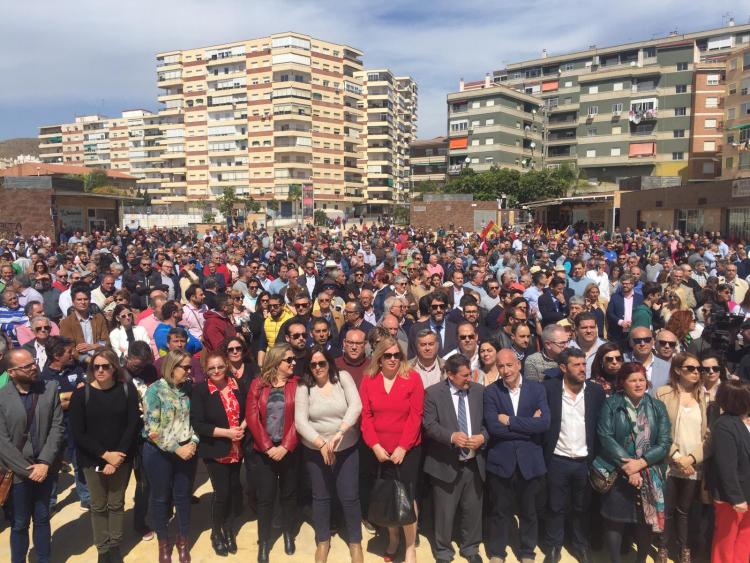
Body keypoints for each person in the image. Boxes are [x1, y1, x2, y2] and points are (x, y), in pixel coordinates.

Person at [68, 349, 140, 563]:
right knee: (98, 506)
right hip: (93, 458)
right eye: (96, 366)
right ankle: (103, 548)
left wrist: (118, 456)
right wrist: (105, 455)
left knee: (116, 504)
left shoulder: (127, 390)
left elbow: (132, 424)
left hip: (120, 456)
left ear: (114, 368)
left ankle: (115, 545)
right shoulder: (82, 394)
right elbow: (78, 432)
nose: (100, 370)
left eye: (105, 366)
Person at [596, 362, 671, 563]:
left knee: (644, 522)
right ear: (623, 383)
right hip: (619, 470)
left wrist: (640, 464)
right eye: (632, 380)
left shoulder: (657, 406)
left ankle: (641, 560)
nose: (638, 384)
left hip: (648, 472)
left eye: (641, 379)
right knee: (615, 521)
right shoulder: (612, 404)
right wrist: (629, 467)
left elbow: (664, 442)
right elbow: (605, 437)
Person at [294, 345, 363, 563]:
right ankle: (322, 540)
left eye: (321, 363)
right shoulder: (304, 386)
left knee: (349, 496)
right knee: (321, 497)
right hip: (316, 451)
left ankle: (355, 542)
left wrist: (340, 431)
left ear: (329, 363)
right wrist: (320, 443)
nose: (317, 368)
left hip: (346, 447)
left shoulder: (342, 378)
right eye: (313, 364)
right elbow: (300, 421)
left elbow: (356, 406)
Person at [359, 337, 424, 563]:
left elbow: (416, 417)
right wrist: (375, 445)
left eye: (397, 355)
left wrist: (403, 447)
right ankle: (393, 537)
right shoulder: (369, 379)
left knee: (407, 497)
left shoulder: (412, 378)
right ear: (379, 357)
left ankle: (409, 547)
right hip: (380, 450)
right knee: (388, 496)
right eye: (388, 355)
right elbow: (365, 416)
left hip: (407, 450)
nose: (393, 359)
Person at [483, 349, 550, 563]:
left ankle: (527, 552)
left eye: (509, 365)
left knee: (529, 512)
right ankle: (497, 552)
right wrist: (529, 423)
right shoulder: (492, 392)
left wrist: (510, 421)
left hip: (530, 461)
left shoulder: (537, 389)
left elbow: (544, 424)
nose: (505, 370)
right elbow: (494, 427)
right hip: (502, 461)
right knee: (500, 511)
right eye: (500, 366)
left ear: (518, 365)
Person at [0, 348, 65, 563]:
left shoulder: (50, 388)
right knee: (19, 523)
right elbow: (2, 442)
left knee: (42, 518)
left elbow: (57, 427)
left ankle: (43, 558)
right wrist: (27, 470)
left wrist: (45, 463)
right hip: (17, 472)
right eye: (26, 366)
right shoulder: (2, 398)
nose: (33, 367)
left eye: (33, 362)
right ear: (11, 372)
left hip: (44, 467)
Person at [542, 347, 606, 563]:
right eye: (576, 365)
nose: (582, 369)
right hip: (557, 459)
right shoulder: (549, 389)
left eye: (584, 364)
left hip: (584, 461)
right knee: (555, 506)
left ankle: (580, 546)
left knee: (582, 507)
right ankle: (553, 547)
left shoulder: (595, 392)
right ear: (563, 368)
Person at [422, 354, 487, 563]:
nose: (469, 379)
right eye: (464, 376)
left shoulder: (479, 392)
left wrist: (483, 437)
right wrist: (451, 436)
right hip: (445, 463)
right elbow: (429, 425)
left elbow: (489, 422)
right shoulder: (433, 393)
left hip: (474, 463)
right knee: (444, 512)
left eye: (470, 374)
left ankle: (470, 548)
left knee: (473, 509)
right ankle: (443, 551)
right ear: (450, 375)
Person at [142, 349, 199, 563]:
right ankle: (163, 545)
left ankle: (183, 541)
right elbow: (152, 429)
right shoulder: (154, 391)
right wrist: (178, 448)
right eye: (185, 367)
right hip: (159, 453)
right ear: (171, 367)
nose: (189, 371)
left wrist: (193, 442)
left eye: (189, 367)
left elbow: (194, 420)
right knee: (160, 499)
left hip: (187, 450)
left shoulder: (189, 389)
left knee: (183, 497)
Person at [245, 344, 300, 563]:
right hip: (264, 451)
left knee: (288, 495)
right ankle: (264, 541)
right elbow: (252, 417)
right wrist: (268, 447)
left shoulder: (298, 384)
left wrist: (285, 446)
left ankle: (288, 533)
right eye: (289, 360)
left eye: (293, 359)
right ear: (277, 362)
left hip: (289, 450)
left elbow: (301, 417)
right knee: (266, 498)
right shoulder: (258, 384)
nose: (293, 363)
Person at [654, 352, 710, 563]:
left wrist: (692, 459)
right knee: (666, 510)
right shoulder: (662, 393)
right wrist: (677, 456)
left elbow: (709, 434)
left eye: (699, 369)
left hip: (693, 466)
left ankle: (684, 549)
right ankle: (663, 547)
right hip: (670, 463)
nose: (696, 372)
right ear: (677, 370)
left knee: (685, 511)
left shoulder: (704, 397)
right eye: (690, 368)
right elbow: (660, 429)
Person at [190, 351, 247, 557]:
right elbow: (198, 424)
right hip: (216, 449)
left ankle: (229, 529)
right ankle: (216, 533)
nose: (216, 371)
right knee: (221, 493)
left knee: (233, 490)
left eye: (220, 367)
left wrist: (242, 427)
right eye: (211, 368)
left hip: (237, 448)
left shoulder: (235, 385)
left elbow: (249, 408)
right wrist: (228, 433)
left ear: (226, 367)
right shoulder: (201, 391)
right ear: (206, 369)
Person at [706, 380, 750, 563]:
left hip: (747, 490)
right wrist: (736, 498)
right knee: (726, 538)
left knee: (745, 537)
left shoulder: (742, 421)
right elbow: (726, 466)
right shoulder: (724, 425)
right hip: (731, 496)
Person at [59, 287, 109, 362]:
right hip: (78, 363)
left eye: (86, 299)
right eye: (79, 299)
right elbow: (69, 348)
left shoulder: (99, 318)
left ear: (89, 301)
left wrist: (93, 346)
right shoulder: (66, 323)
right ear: (73, 302)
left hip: (100, 359)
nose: (83, 302)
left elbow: (105, 341)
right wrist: (87, 359)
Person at [408, 291, 458, 359]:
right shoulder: (416, 329)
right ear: (429, 308)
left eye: (442, 306)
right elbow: (412, 356)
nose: (438, 310)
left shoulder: (455, 329)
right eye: (434, 307)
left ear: (446, 308)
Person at [625, 327, 671, 393]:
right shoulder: (622, 362)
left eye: (647, 340)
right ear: (630, 342)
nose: (642, 344)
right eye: (637, 340)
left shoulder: (667, 367)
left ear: (653, 341)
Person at [606, 274, 643, 342]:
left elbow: (641, 314)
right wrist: (621, 322)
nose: (625, 285)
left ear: (632, 284)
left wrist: (635, 323)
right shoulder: (615, 297)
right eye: (623, 283)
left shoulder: (640, 298)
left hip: (634, 333)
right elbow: (609, 313)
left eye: (627, 284)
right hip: (617, 334)